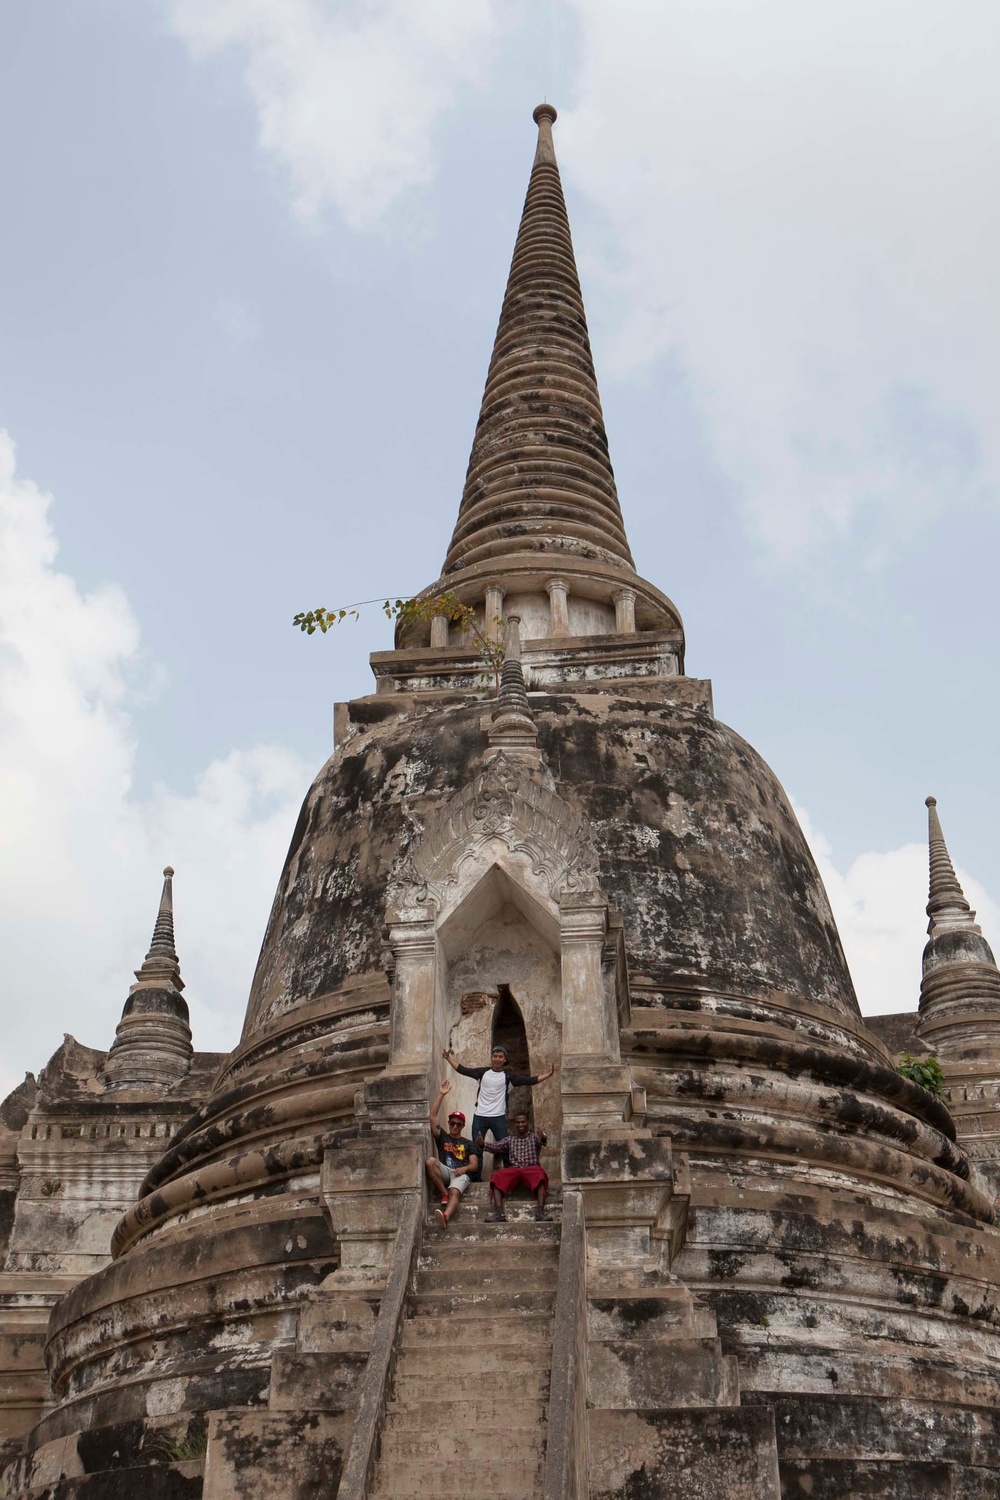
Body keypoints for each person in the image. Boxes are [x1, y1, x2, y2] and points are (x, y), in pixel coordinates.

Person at [442, 1043, 555, 1177]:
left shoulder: (509, 1077)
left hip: (498, 1117)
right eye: (495, 1056)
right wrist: (448, 1058)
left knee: (506, 1148)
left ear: (505, 1059)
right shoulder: (482, 1073)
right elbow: (463, 1069)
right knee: (477, 1148)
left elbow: (530, 1080)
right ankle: (475, 1179)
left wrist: (548, 1074)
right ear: (491, 1058)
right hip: (480, 1116)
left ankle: (509, 1174)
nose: (497, 1059)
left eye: (500, 1056)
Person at [425, 1080, 479, 1230]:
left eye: (458, 1124)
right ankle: (444, 1194)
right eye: (452, 1123)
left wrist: (465, 1169)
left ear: (462, 1126)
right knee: (430, 1161)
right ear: (449, 1123)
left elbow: (475, 1165)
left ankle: (446, 1216)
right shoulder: (443, 1137)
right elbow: (433, 1116)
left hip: (461, 1174)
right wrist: (441, 1095)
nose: (455, 1126)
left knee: (454, 1191)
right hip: (446, 1171)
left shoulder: (469, 1143)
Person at [477, 1113, 550, 1222]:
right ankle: (499, 1214)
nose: (520, 1124)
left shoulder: (534, 1137)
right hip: (515, 1169)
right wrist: (483, 1144)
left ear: (527, 1123)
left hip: (531, 1168)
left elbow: (542, 1141)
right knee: (496, 1176)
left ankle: (540, 1212)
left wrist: (543, 1137)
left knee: (540, 1174)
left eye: (523, 1122)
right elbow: (496, 1146)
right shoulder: (510, 1140)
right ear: (515, 1124)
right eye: (518, 1122)